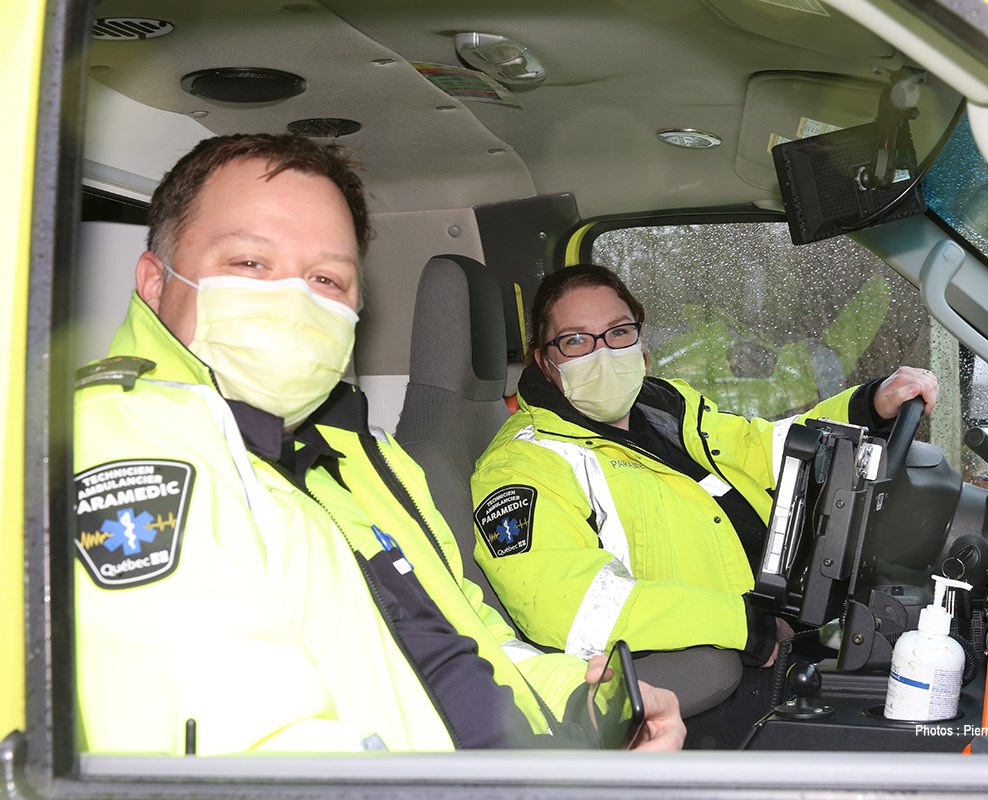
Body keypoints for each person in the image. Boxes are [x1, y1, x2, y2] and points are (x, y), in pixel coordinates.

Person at [72, 135, 684, 755]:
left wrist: (577, 700)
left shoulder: (367, 457)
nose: (295, 301)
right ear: (154, 283)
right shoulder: (127, 450)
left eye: (327, 278)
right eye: (250, 264)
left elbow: (470, 635)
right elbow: (251, 758)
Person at [469, 264, 938, 737]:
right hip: (704, 686)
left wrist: (867, 405)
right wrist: (744, 625)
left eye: (618, 332)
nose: (603, 353)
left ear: (641, 345)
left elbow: (764, 449)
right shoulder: (522, 466)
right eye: (576, 340)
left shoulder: (666, 408)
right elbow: (574, 607)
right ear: (545, 361)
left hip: (787, 629)